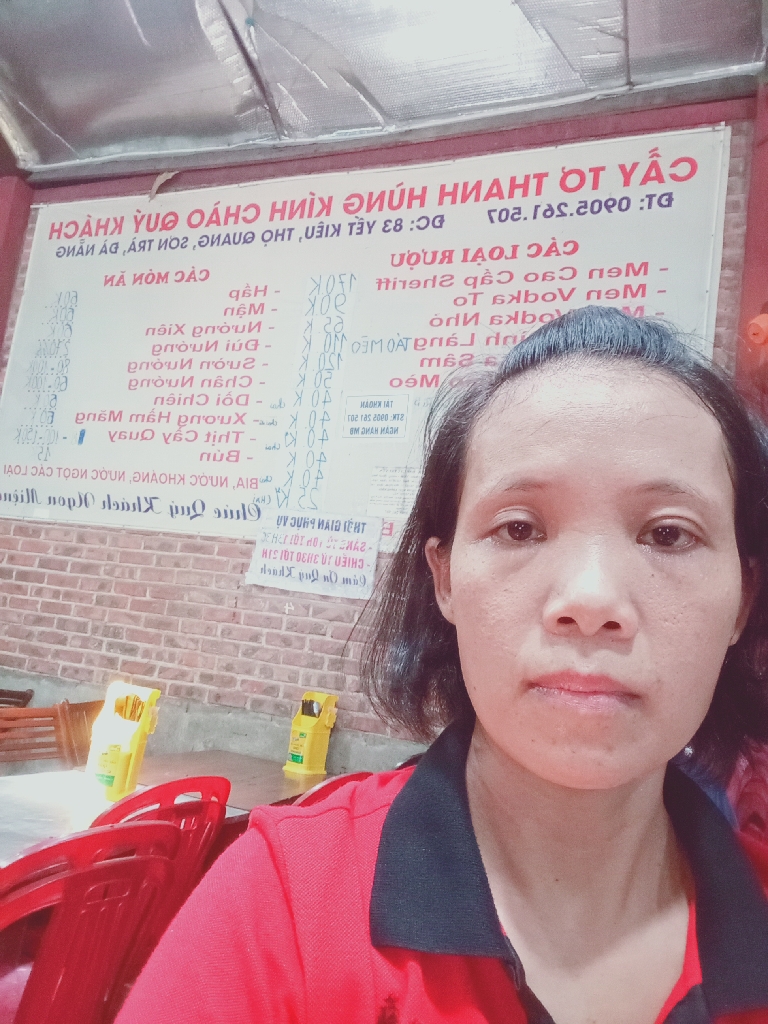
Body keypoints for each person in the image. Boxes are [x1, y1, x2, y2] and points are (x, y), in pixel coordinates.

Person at [117, 307, 768, 1024]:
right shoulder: (285, 905)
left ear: (743, 599)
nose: (590, 599)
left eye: (668, 534)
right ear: (446, 577)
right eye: (519, 528)